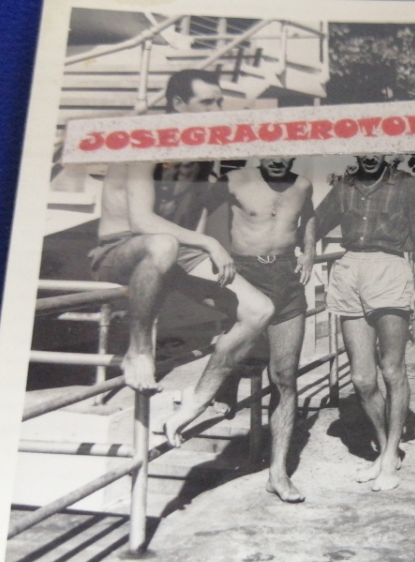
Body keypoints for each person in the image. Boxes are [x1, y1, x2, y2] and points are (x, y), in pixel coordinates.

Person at [87, 69, 274, 396]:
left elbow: (198, 210)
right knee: (163, 244)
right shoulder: (146, 139)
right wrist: (209, 244)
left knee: (259, 311)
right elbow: (141, 221)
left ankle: (201, 397)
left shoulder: (199, 150)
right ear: (177, 103)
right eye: (207, 102)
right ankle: (138, 352)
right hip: (119, 250)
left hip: (172, 251)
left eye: (219, 102)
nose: (216, 110)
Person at [163, 157, 315, 503]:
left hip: (287, 277)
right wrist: (207, 249)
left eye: (285, 152)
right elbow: (197, 211)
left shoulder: (303, 185)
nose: (277, 159)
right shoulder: (234, 181)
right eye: (270, 151)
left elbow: (309, 215)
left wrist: (309, 251)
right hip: (244, 275)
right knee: (238, 349)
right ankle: (213, 393)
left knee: (285, 377)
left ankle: (278, 472)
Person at [313, 155, 415, 491]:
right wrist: (306, 251)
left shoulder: (407, 184)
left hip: (390, 268)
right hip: (349, 269)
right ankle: (385, 451)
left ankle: (392, 453)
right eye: (363, 149)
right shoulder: (344, 186)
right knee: (362, 378)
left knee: (392, 370)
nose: (369, 156)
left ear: (387, 151)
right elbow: (313, 222)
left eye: (376, 149)